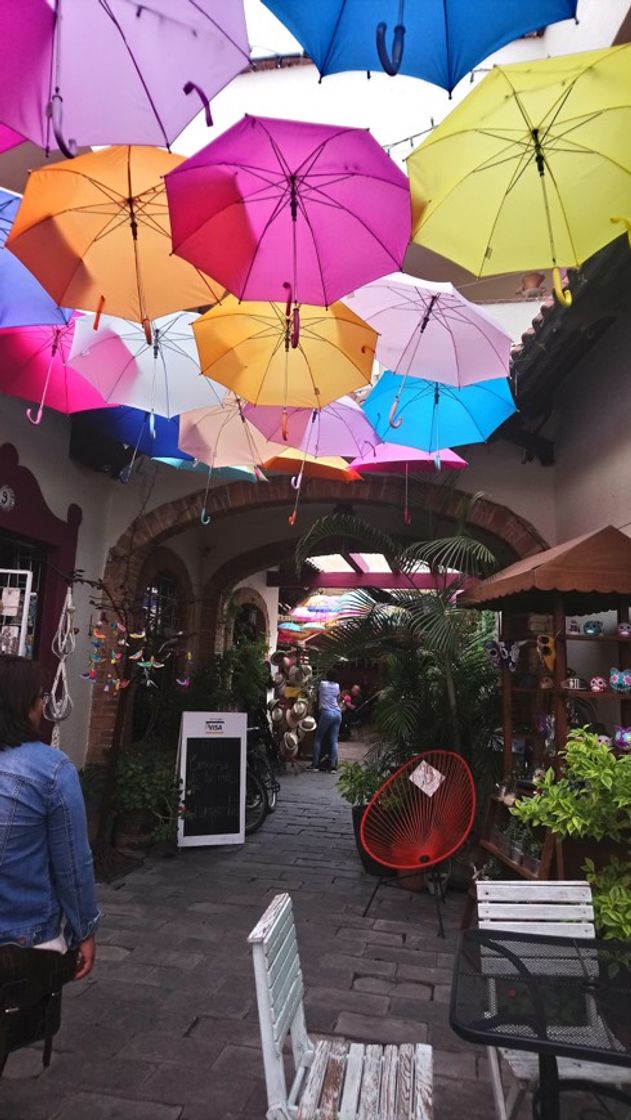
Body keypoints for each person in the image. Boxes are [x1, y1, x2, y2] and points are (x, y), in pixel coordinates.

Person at [0, 655, 100, 976]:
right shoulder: (52, 770)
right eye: (42, 697)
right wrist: (84, 928)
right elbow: (72, 863)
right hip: (26, 941)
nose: (44, 706)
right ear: (24, 704)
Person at [309, 667, 342, 772]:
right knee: (334, 740)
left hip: (326, 713)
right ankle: (333, 766)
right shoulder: (337, 686)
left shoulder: (322, 684)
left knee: (318, 738)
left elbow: (315, 688)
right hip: (337, 713)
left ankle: (315, 764)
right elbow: (337, 698)